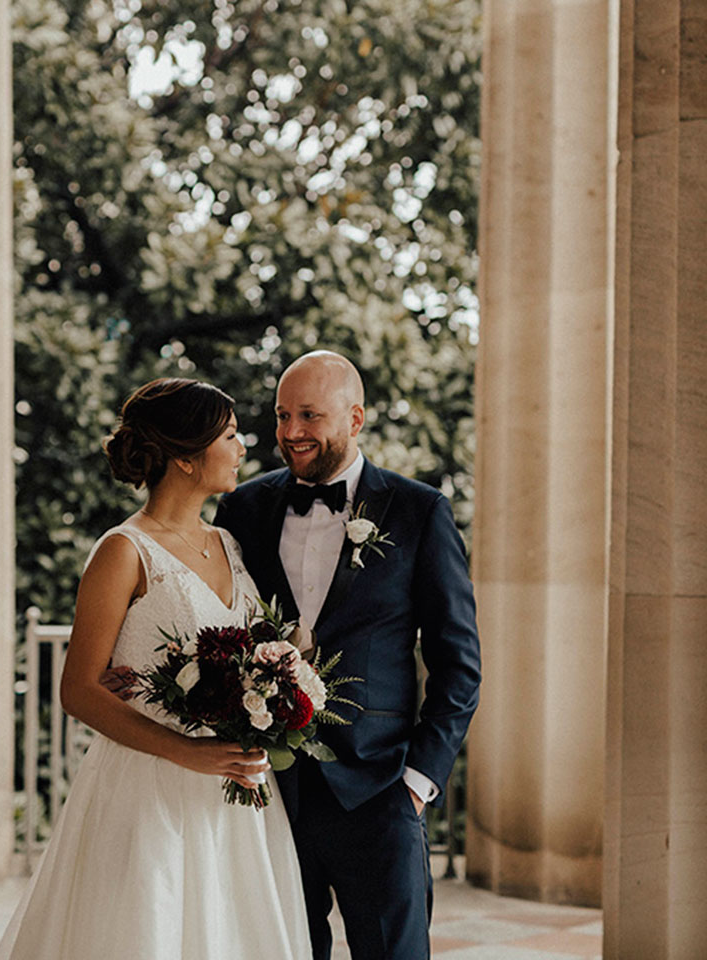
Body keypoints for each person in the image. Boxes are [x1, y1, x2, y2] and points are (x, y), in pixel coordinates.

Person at [0, 378, 311, 960]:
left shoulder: (227, 544)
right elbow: (79, 690)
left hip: (233, 795)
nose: (244, 447)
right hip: (150, 793)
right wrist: (185, 751)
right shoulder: (123, 550)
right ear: (187, 457)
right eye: (232, 435)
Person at [214, 350, 481, 960]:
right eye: (282, 415)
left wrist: (416, 784)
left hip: (381, 792)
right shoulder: (241, 511)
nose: (290, 432)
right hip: (272, 794)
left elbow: (458, 663)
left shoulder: (420, 512)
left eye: (309, 415)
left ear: (355, 418)